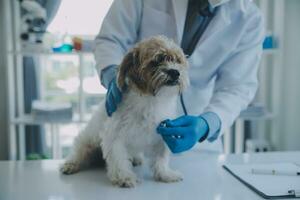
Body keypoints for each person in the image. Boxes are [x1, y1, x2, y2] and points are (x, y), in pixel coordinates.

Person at [94, 0, 264, 153]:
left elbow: (237, 86)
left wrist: (206, 124)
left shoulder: (249, 18)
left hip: (198, 142)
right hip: (134, 124)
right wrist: (111, 72)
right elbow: (111, 39)